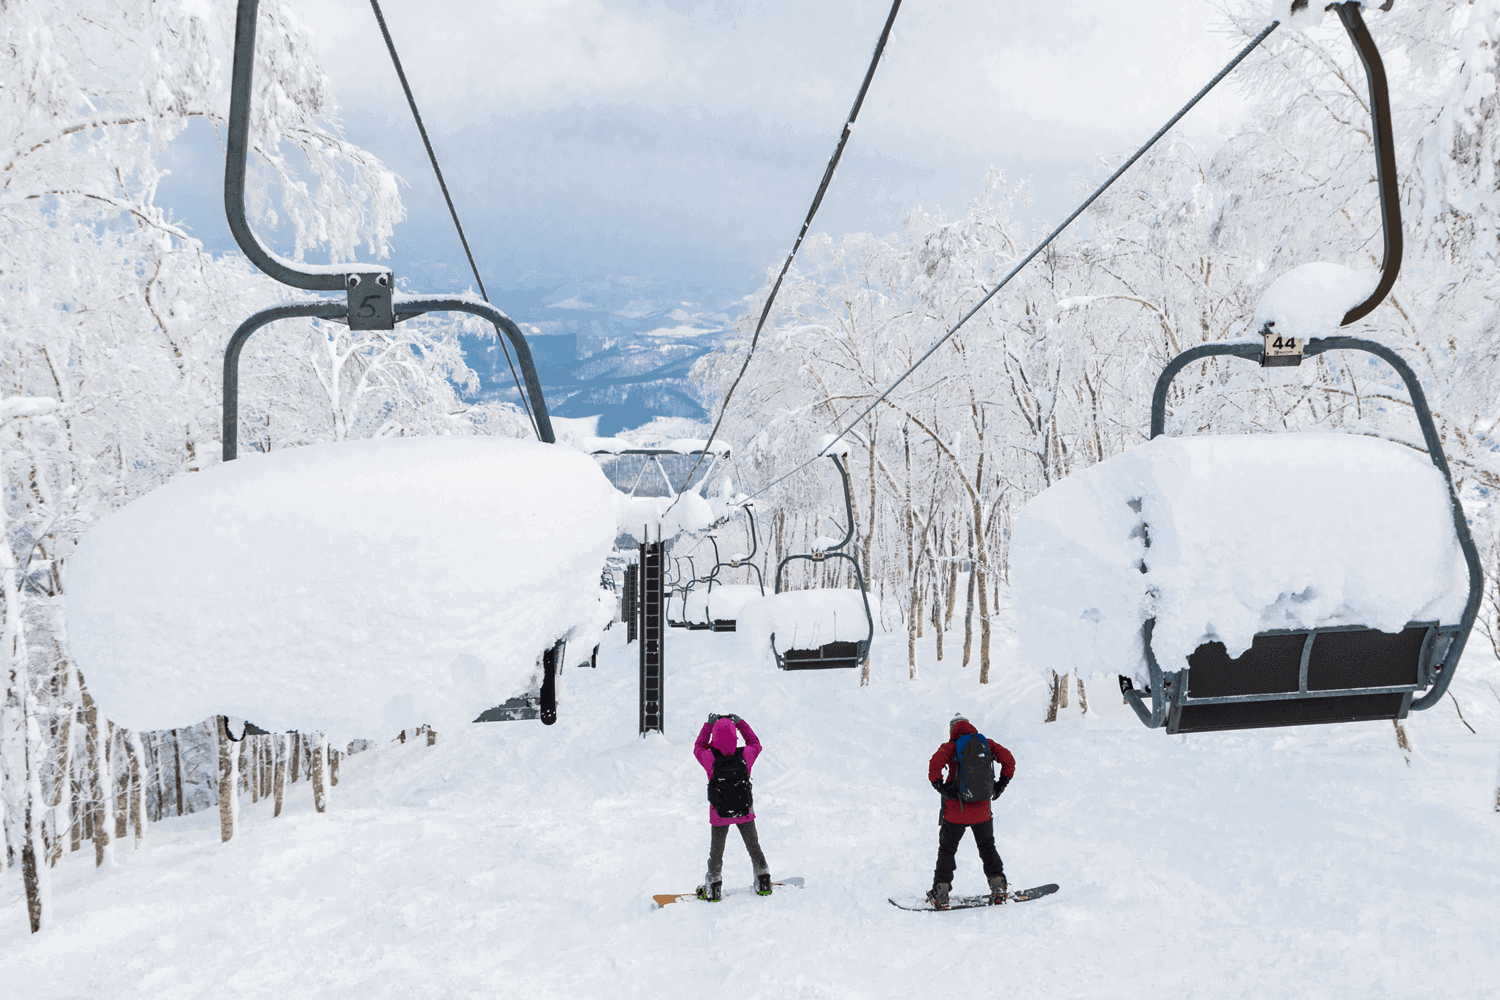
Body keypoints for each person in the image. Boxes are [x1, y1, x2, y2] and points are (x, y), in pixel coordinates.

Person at [926, 713, 1016, 908]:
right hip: (982, 811)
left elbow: (934, 768)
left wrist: (943, 789)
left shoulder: (950, 747)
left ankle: (941, 891)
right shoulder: (986, 743)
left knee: (947, 851)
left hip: (955, 811)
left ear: (952, 729)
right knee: (987, 847)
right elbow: (1009, 760)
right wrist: (1000, 785)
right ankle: (998, 885)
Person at [693, 712, 772, 901]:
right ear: (735, 737)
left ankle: (713, 887)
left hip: (719, 814)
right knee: (753, 846)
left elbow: (698, 747)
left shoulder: (710, 758)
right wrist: (740, 722)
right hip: (745, 812)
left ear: (715, 738)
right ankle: (763, 880)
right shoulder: (745, 755)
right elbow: (755, 743)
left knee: (716, 852)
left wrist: (708, 724)